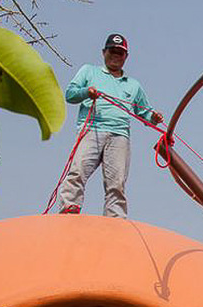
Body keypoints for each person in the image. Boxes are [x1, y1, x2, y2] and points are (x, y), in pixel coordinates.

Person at [58, 33, 164, 217]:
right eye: (112, 51)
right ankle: (69, 207)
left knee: (117, 183)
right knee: (78, 171)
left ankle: (115, 219)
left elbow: (145, 113)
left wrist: (154, 118)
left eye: (119, 52)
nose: (115, 55)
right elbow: (70, 94)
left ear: (126, 56)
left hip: (119, 135)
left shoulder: (133, 85)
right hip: (92, 129)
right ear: (103, 52)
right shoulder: (89, 71)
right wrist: (86, 92)